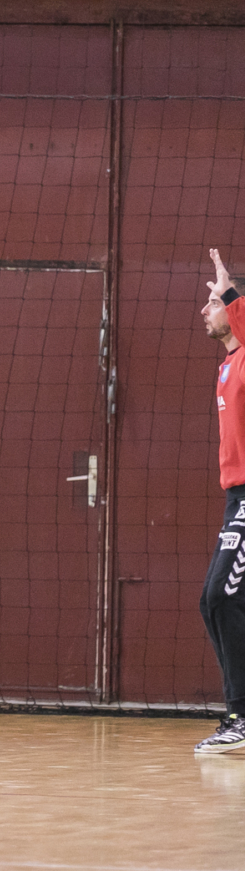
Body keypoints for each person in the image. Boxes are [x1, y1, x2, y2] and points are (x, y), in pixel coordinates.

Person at [193, 249, 245, 754]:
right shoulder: (229, 365)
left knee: (224, 598)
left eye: (212, 302)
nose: (204, 310)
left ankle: (241, 717)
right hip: (236, 499)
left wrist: (229, 289)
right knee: (213, 601)